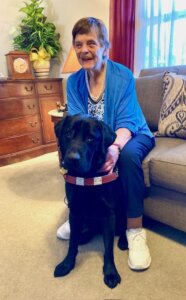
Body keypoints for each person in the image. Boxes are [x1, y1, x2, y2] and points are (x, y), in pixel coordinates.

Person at [57, 17, 155, 271]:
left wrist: (114, 147)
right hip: (99, 139)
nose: (84, 50)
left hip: (132, 133)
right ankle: (80, 216)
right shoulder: (75, 82)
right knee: (76, 153)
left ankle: (134, 230)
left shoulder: (122, 75)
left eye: (91, 43)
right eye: (78, 44)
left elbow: (126, 122)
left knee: (126, 157)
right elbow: (77, 124)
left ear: (105, 46)